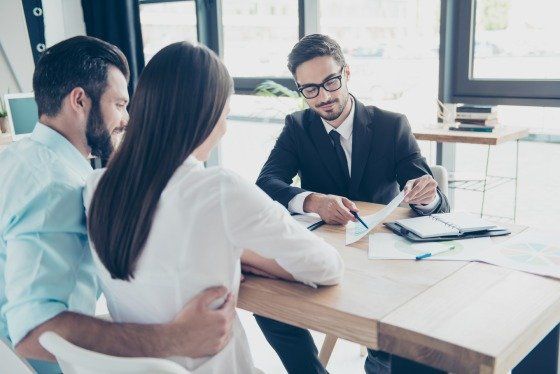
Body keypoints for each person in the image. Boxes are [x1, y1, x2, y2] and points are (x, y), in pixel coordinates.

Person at [83, 41, 344, 374]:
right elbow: (327, 267)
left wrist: (230, 251)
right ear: (205, 115)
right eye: (226, 113)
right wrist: (248, 255)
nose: (226, 127)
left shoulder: (94, 189)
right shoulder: (218, 190)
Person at [0, 36, 235, 374]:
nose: (127, 119)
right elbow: (34, 331)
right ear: (79, 100)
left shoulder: (18, 158)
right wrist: (176, 338)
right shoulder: (56, 187)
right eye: (120, 104)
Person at [255, 34, 450, 373]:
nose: (325, 96)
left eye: (331, 81)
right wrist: (313, 200)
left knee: (407, 330)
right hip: (326, 253)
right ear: (301, 90)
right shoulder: (297, 127)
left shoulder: (391, 126)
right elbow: (267, 183)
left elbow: (436, 205)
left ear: (347, 73)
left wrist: (426, 195)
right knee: (268, 303)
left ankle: (378, 362)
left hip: (382, 258)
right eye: (310, 89)